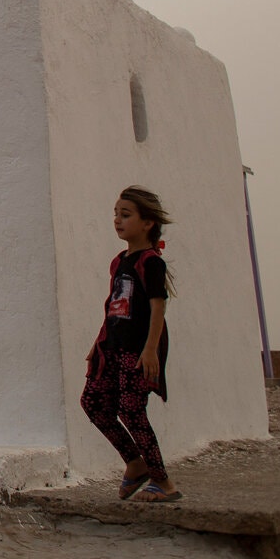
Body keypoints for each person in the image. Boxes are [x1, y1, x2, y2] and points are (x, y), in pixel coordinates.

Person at [82, 185, 180, 503]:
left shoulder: (151, 262)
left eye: (125, 215)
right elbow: (113, 305)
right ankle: (135, 463)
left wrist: (150, 349)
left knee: (132, 410)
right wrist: (98, 344)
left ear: (147, 222)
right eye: (116, 214)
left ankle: (163, 482)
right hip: (112, 347)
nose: (117, 220)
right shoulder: (119, 262)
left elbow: (157, 307)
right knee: (94, 402)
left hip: (137, 350)